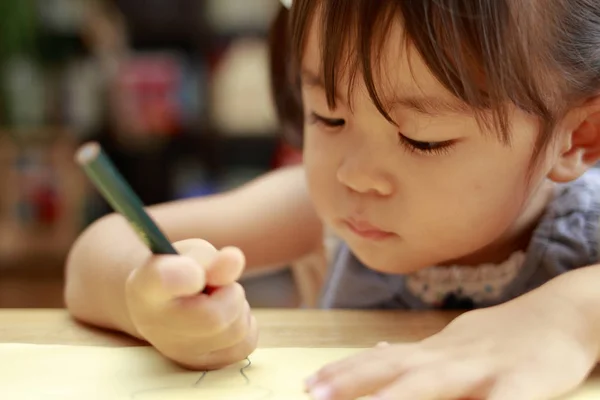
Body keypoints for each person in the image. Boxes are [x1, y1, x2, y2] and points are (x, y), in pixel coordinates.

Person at [65, 0, 600, 398]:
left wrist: (572, 317)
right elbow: (99, 247)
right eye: (328, 115)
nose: (355, 175)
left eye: (423, 138)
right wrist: (147, 296)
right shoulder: (312, 208)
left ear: (578, 137)